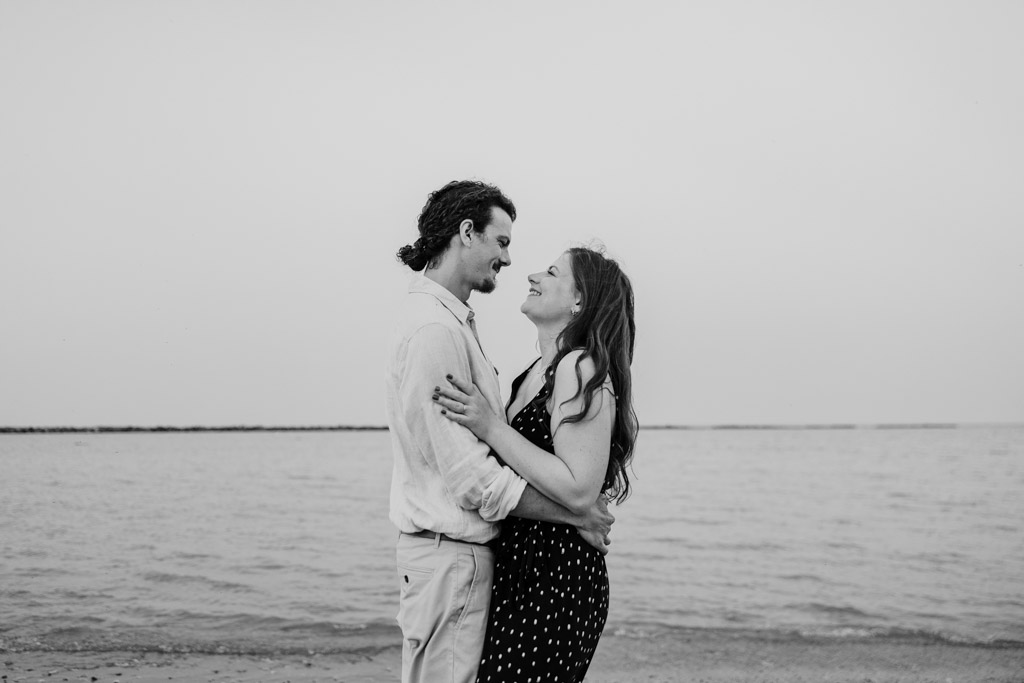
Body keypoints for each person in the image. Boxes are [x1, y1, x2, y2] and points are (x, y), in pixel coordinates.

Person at [385, 181, 615, 683]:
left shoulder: (459, 328)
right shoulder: (437, 331)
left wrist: (573, 508)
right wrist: (576, 515)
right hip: (455, 558)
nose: (512, 262)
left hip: (522, 572)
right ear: (467, 232)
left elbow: (509, 458)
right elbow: (472, 477)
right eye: (502, 241)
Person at [433, 245, 638, 683]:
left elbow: (580, 488)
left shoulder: (580, 366)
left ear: (578, 301)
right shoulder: (531, 375)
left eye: (551, 272)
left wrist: (491, 426)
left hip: (557, 577)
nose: (533, 276)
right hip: (519, 566)